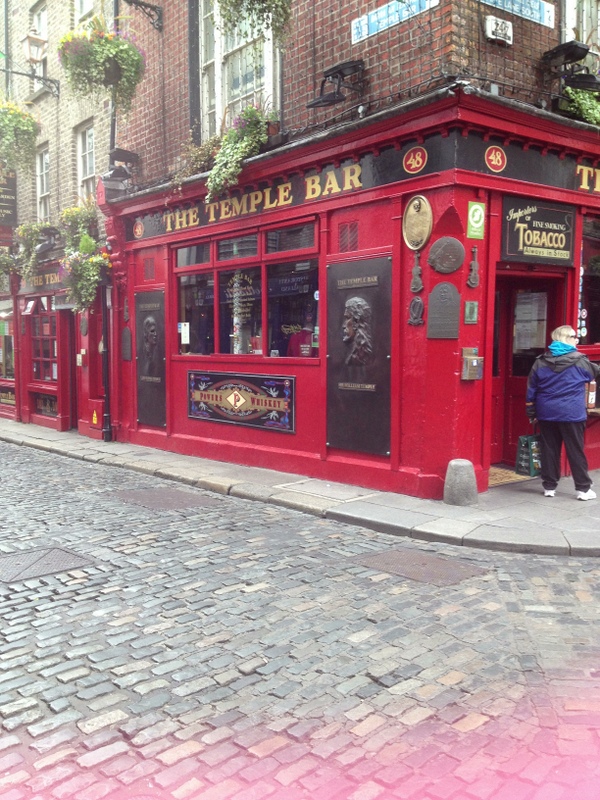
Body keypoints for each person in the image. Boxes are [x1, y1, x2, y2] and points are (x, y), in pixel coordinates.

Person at [526, 324, 600, 500]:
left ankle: (549, 487)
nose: (577, 340)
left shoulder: (540, 361)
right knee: (575, 450)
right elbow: (593, 374)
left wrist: (531, 412)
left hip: (546, 412)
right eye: (574, 337)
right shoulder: (580, 361)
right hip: (572, 413)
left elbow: (531, 390)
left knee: (549, 450)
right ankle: (583, 489)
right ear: (566, 339)